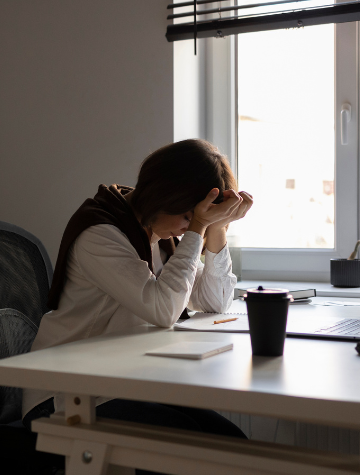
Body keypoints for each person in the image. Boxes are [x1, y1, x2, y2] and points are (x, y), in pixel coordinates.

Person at [22, 139, 253, 472]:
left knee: (233, 446)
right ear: (163, 197)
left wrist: (216, 227)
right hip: (65, 397)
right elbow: (163, 310)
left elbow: (215, 302)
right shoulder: (101, 233)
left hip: (120, 385)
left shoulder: (162, 235)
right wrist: (198, 229)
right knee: (204, 457)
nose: (188, 227)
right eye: (186, 216)